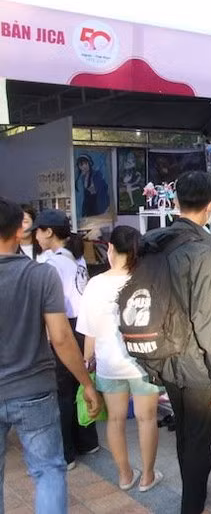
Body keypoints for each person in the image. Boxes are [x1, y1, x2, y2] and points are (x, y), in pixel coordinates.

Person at [0, 198, 102, 514]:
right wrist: (86, 383)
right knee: (48, 471)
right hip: (34, 390)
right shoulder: (40, 275)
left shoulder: (48, 268)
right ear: (21, 229)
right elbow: (60, 337)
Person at [141, 171, 211, 514]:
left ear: (176, 201)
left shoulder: (153, 240)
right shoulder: (204, 248)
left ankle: (190, 502)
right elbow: (209, 318)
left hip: (163, 354)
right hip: (195, 362)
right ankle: (192, 507)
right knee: (197, 443)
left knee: (185, 435)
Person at [77, 226, 164, 492]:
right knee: (146, 418)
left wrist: (87, 361)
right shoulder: (147, 279)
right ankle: (148, 476)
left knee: (114, 419)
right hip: (143, 360)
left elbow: (89, 333)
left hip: (109, 363)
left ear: (111, 249)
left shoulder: (95, 284)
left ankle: (125, 475)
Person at [31, 209, 100, 469]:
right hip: (82, 327)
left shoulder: (51, 264)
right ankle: (87, 441)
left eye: (38, 230)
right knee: (81, 384)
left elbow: (48, 304)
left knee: (63, 391)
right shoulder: (74, 257)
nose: (36, 236)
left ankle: (66, 453)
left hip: (64, 325)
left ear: (49, 232)